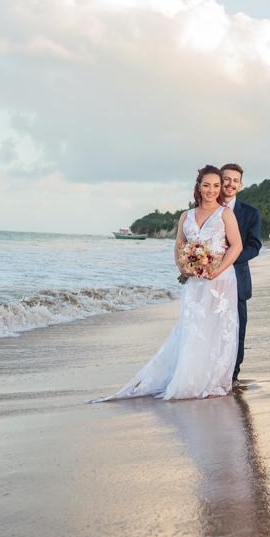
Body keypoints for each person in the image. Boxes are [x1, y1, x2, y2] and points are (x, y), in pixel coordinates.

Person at [88, 165, 243, 402]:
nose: (211, 190)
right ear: (198, 187)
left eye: (216, 185)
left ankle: (213, 380)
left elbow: (237, 246)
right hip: (193, 281)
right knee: (193, 327)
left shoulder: (225, 214)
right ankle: (188, 377)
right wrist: (183, 266)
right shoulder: (186, 216)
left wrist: (216, 271)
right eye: (206, 185)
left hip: (219, 280)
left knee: (216, 329)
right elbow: (180, 245)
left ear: (221, 188)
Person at [220, 163, 262, 385]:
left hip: (238, 278)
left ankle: (233, 374)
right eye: (226, 179)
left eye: (235, 181)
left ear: (241, 185)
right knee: (212, 326)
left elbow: (254, 246)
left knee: (237, 329)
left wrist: (230, 256)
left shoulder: (251, 213)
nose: (230, 184)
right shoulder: (208, 208)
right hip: (211, 280)